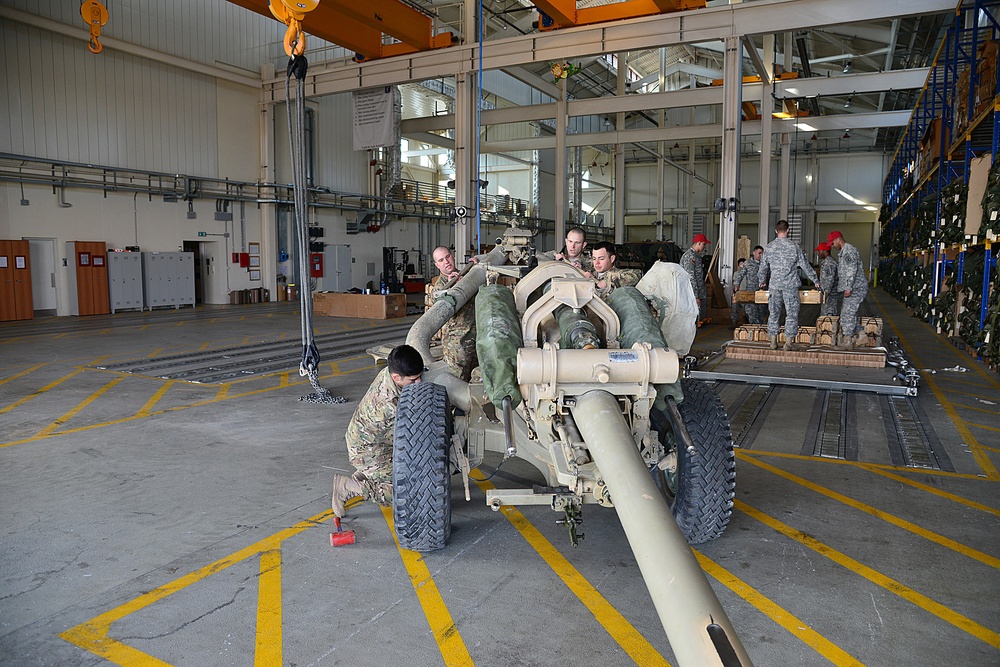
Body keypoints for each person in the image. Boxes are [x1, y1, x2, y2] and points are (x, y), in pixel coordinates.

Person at [331, 344, 424, 517]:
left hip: (372, 438)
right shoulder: (389, 405)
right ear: (396, 377)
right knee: (408, 491)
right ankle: (349, 487)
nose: (419, 382)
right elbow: (409, 441)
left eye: (420, 376)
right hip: (367, 449)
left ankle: (366, 475)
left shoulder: (392, 372)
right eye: (413, 380)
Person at [758, 220, 819, 351]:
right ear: (788, 230)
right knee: (791, 314)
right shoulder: (794, 247)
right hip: (790, 286)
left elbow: (763, 267)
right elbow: (805, 266)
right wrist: (815, 280)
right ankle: (788, 343)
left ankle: (773, 342)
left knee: (773, 313)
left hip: (774, 286)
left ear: (776, 230)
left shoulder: (769, 247)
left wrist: (762, 280)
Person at [430, 246, 478, 381]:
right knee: (458, 382)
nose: (446, 262)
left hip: (476, 338)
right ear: (437, 265)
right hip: (458, 345)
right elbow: (441, 308)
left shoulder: (465, 274)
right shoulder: (440, 288)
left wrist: (475, 268)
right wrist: (453, 287)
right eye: (441, 260)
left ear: (453, 256)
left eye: (447, 257)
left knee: (476, 380)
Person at [828, 230, 868, 347]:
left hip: (856, 287)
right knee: (849, 312)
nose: (832, 246)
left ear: (838, 239)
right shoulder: (844, 251)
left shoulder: (848, 251)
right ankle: (861, 335)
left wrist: (848, 287)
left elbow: (851, 270)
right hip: (853, 287)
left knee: (847, 314)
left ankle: (848, 341)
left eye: (833, 243)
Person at [680, 233, 710, 319]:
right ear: (699, 243)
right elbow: (691, 278)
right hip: (691, 295)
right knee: (693, 320)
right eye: (704, 244)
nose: (704, 247)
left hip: (698, 293)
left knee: (699, 319)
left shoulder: (696, 256)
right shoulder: (689, 256)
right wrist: (695, 296)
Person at [816, 241, 839, 317]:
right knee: (824, 318)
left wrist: (824, 294)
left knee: (828, 319)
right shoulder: (826, 263)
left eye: (819, 251)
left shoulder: (829, 264)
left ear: (825, 251)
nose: (817, 253)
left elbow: (829, 281)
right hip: (827, 297)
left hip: (829, 297)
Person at [730, 258, 747, 327]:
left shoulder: (747, 274)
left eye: (743, 264)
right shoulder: (736, 273)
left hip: (745, 293)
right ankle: (734, 323)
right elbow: (734, 283)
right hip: (737, 293)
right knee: (735, 309)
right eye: (740, 264)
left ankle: (747, 323)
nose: (742, 265)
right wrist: (733, 290)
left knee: (746, 310)